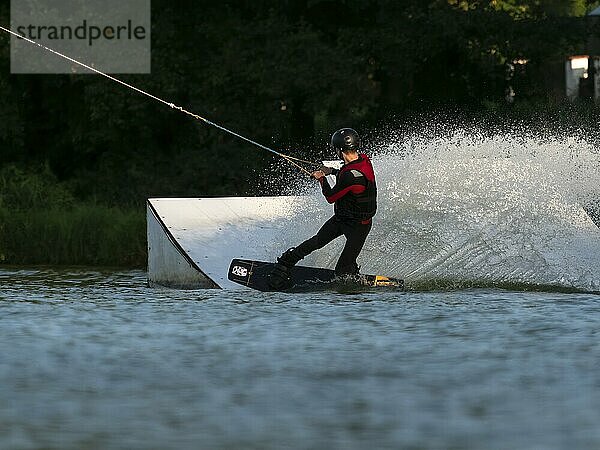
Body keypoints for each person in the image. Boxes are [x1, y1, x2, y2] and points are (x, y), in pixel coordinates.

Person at [268, 128, 377, 290]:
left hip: (359, 226)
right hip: (342, 218)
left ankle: (351, 277)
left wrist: (321, 179)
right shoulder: (363, 160)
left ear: (339, 150)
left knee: (342, 270)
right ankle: (285, 263)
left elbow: (331, 197)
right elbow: (349, 172)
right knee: (317, 241)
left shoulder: (351, 176)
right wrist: (331, 171)